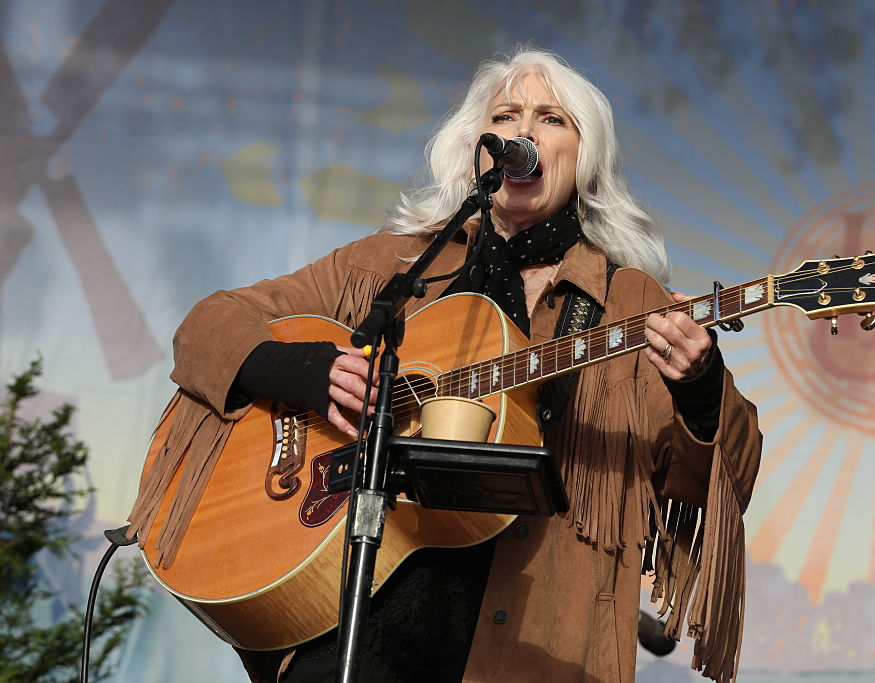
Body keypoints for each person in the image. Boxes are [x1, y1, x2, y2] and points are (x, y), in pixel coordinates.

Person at [128, 48, 761, 682]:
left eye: (551, 118)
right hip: (358, 622)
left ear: (586, 157)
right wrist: (310, 374)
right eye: (507, 115)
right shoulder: (391, 267)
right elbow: (209, 326)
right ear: (476, 148)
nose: (523, 132)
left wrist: (700, 388)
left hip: (534, 638)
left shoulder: (631, 304)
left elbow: (718, 477)